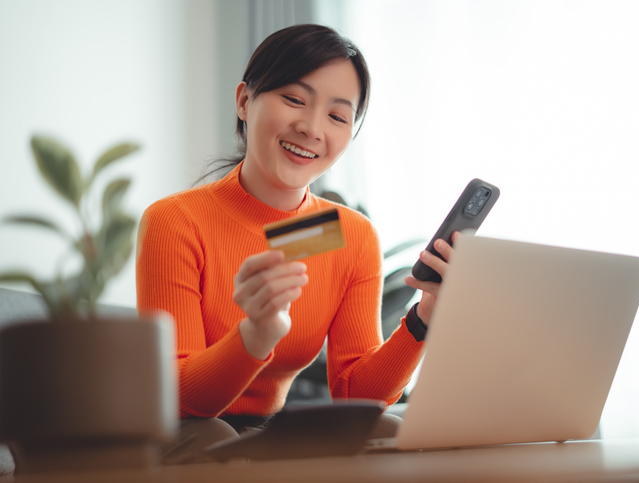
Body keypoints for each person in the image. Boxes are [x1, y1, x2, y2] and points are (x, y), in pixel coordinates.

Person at [136, 24, 458, 464]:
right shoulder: (176, 222)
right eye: (294, 100)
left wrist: (423, 319)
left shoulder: (349, 234)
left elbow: (356, 395)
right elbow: (180, 399)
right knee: (213, 438)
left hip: (266, 434)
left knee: (384, 430)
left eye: (338, 116)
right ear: (245, 101)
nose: (311, 128)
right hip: (183, 433)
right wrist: (255, 335)